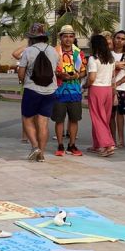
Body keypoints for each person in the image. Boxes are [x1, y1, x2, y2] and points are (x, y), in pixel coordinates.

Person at [18, 23, 57, 162]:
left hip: (32, 89)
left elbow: (21, 72)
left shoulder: (28, 51)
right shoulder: (53, 51)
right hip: (50, 90)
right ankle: (41, 154)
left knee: (27, 119)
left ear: (32, 37)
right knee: (43, 123)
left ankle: (35, 146)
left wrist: (22, 81)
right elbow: (56, 69)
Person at [52, 24, 86, 157]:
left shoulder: (79, 53)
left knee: (74, 119)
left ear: (74, 38)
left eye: (71, 36)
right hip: (59, 91)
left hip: (75, 92)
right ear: (60, 37)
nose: (68, 39)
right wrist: (59, 74)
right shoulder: (54, 52)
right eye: (65, 36)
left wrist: (76, 76)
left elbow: (83, 71)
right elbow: (51, 70)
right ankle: (60, 145)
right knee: (59, 119)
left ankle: (72, 145)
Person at [86, 34, 117, 157]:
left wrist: (85, 85)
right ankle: (97, 145)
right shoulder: (111, 59)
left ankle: (108, 145)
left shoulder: (93, 59)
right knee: (104, 118)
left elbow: (92, 78)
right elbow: (113, 77)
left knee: (98, 118)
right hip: (108, 89)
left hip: (96, 89)